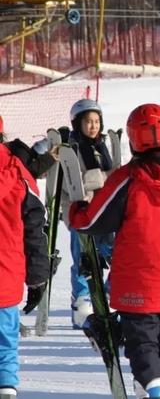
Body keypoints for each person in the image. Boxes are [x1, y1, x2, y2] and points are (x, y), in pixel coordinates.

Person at [69, 104, 160, 399]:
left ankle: (154, 390)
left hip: (137, 282)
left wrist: (76, 210)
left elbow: (92, 221)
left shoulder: (129, 177)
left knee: (142, 342)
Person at [0, 117, 50, 399]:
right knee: (5, 338)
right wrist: (37, 276)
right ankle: (6, 383)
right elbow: (35, 227)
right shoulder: (18, 170)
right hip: (6, 273)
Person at [62, 99, 119, 329]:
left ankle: (107, 294)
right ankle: (82, 301)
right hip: (81, 214)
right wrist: (104, 177)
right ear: (77, 124)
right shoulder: (71, 150)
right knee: (84, 259)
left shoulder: (101, 147)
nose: (93, 126)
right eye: (88, 122)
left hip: (105, 214)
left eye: (96, 121)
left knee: (116, 253)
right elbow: (72, 184)